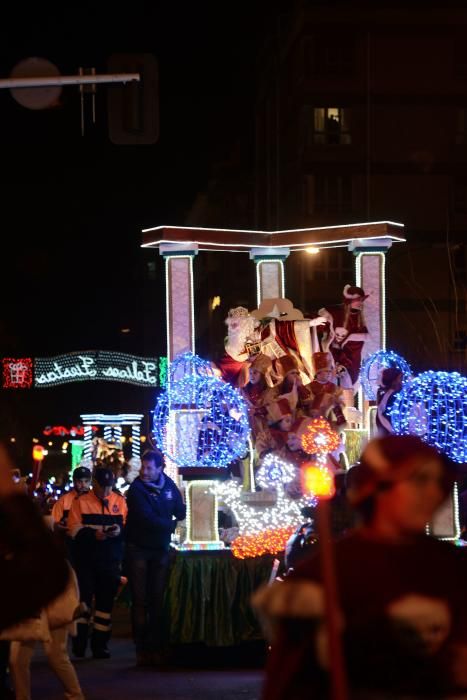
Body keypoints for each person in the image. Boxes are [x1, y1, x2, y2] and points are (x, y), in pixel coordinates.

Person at [254, 435, 467, 699]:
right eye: (419, 480)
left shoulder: (450, 567)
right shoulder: (325, 573)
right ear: (377, 488)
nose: (434, 493)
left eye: (439, 483)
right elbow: (289, 684)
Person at [125, 449, 186, 667]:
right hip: (138, 549)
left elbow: (180, 509)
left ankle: (158, 647)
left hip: (159, 549)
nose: (145, 471)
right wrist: (171, 525)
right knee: (141, 601)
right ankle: (142, 650)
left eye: (149, 468)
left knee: (157, 600)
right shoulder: (136, 489)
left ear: (160, 469)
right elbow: (145, 518)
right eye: (143, 467)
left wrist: (185, 511)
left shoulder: (168, 486)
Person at [67, 467, 127, 659]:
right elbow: (73, 530)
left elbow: (128, 527)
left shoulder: (120, 501)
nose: (107, 492)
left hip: (110, 560)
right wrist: (94, 535)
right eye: (103, 488)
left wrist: (119, 532)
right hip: (86, 560)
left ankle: (100, 645)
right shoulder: (81, 502)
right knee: (83, 603)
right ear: (95, 484)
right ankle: (79, 644)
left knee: (105, 606)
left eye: (110, 487)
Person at [317, 285, 369, 391]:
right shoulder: (337, 313)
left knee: (348, 384)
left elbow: (365, 339)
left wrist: (350, 338)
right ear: (348, 301)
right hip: (332, 355)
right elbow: (321, 314)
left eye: (361, 300)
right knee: (331, 385)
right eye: (357, 300)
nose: (360, 303)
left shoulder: (361, 318)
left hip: (351, 356)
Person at [52, 466, 92, 532]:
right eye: (79, 481)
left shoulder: (97, 499)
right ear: (74, 481)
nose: (83, 485)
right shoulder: (63, 501)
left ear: (90, 481)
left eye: (86, 481)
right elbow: (54, 523)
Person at [376, 367, 403, 435]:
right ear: (393, 381)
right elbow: (385, 416)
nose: (402, 382)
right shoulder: (392, 396)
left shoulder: (387, 394)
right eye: (400, 379)